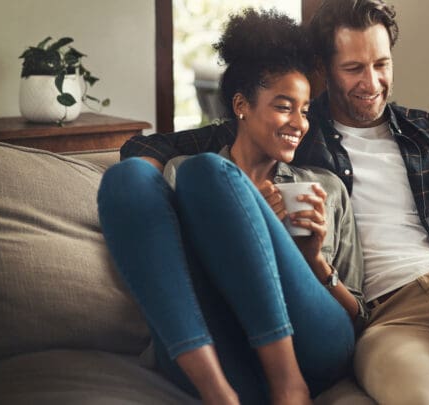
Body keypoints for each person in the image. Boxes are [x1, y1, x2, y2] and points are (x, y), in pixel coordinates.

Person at [121, 1, 429, 403]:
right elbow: (152, 147)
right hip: (385, 320)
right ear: (323, 69)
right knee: (419, 393)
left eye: (381, 64)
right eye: (353, 68)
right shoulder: (294, 125)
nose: (372, 83)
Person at [98, 9, 366, 405]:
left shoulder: (325, 188)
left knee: (209, 171)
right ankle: (218, 394)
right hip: (223, 353)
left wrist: (311, 260)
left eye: (305, 109)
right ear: (242, 105)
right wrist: (248, 215)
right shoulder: (181, 176)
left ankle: (289, 386)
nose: (299, 122)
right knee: (127, 178)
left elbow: (359, 318)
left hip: (313, 344)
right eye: (283, 106)